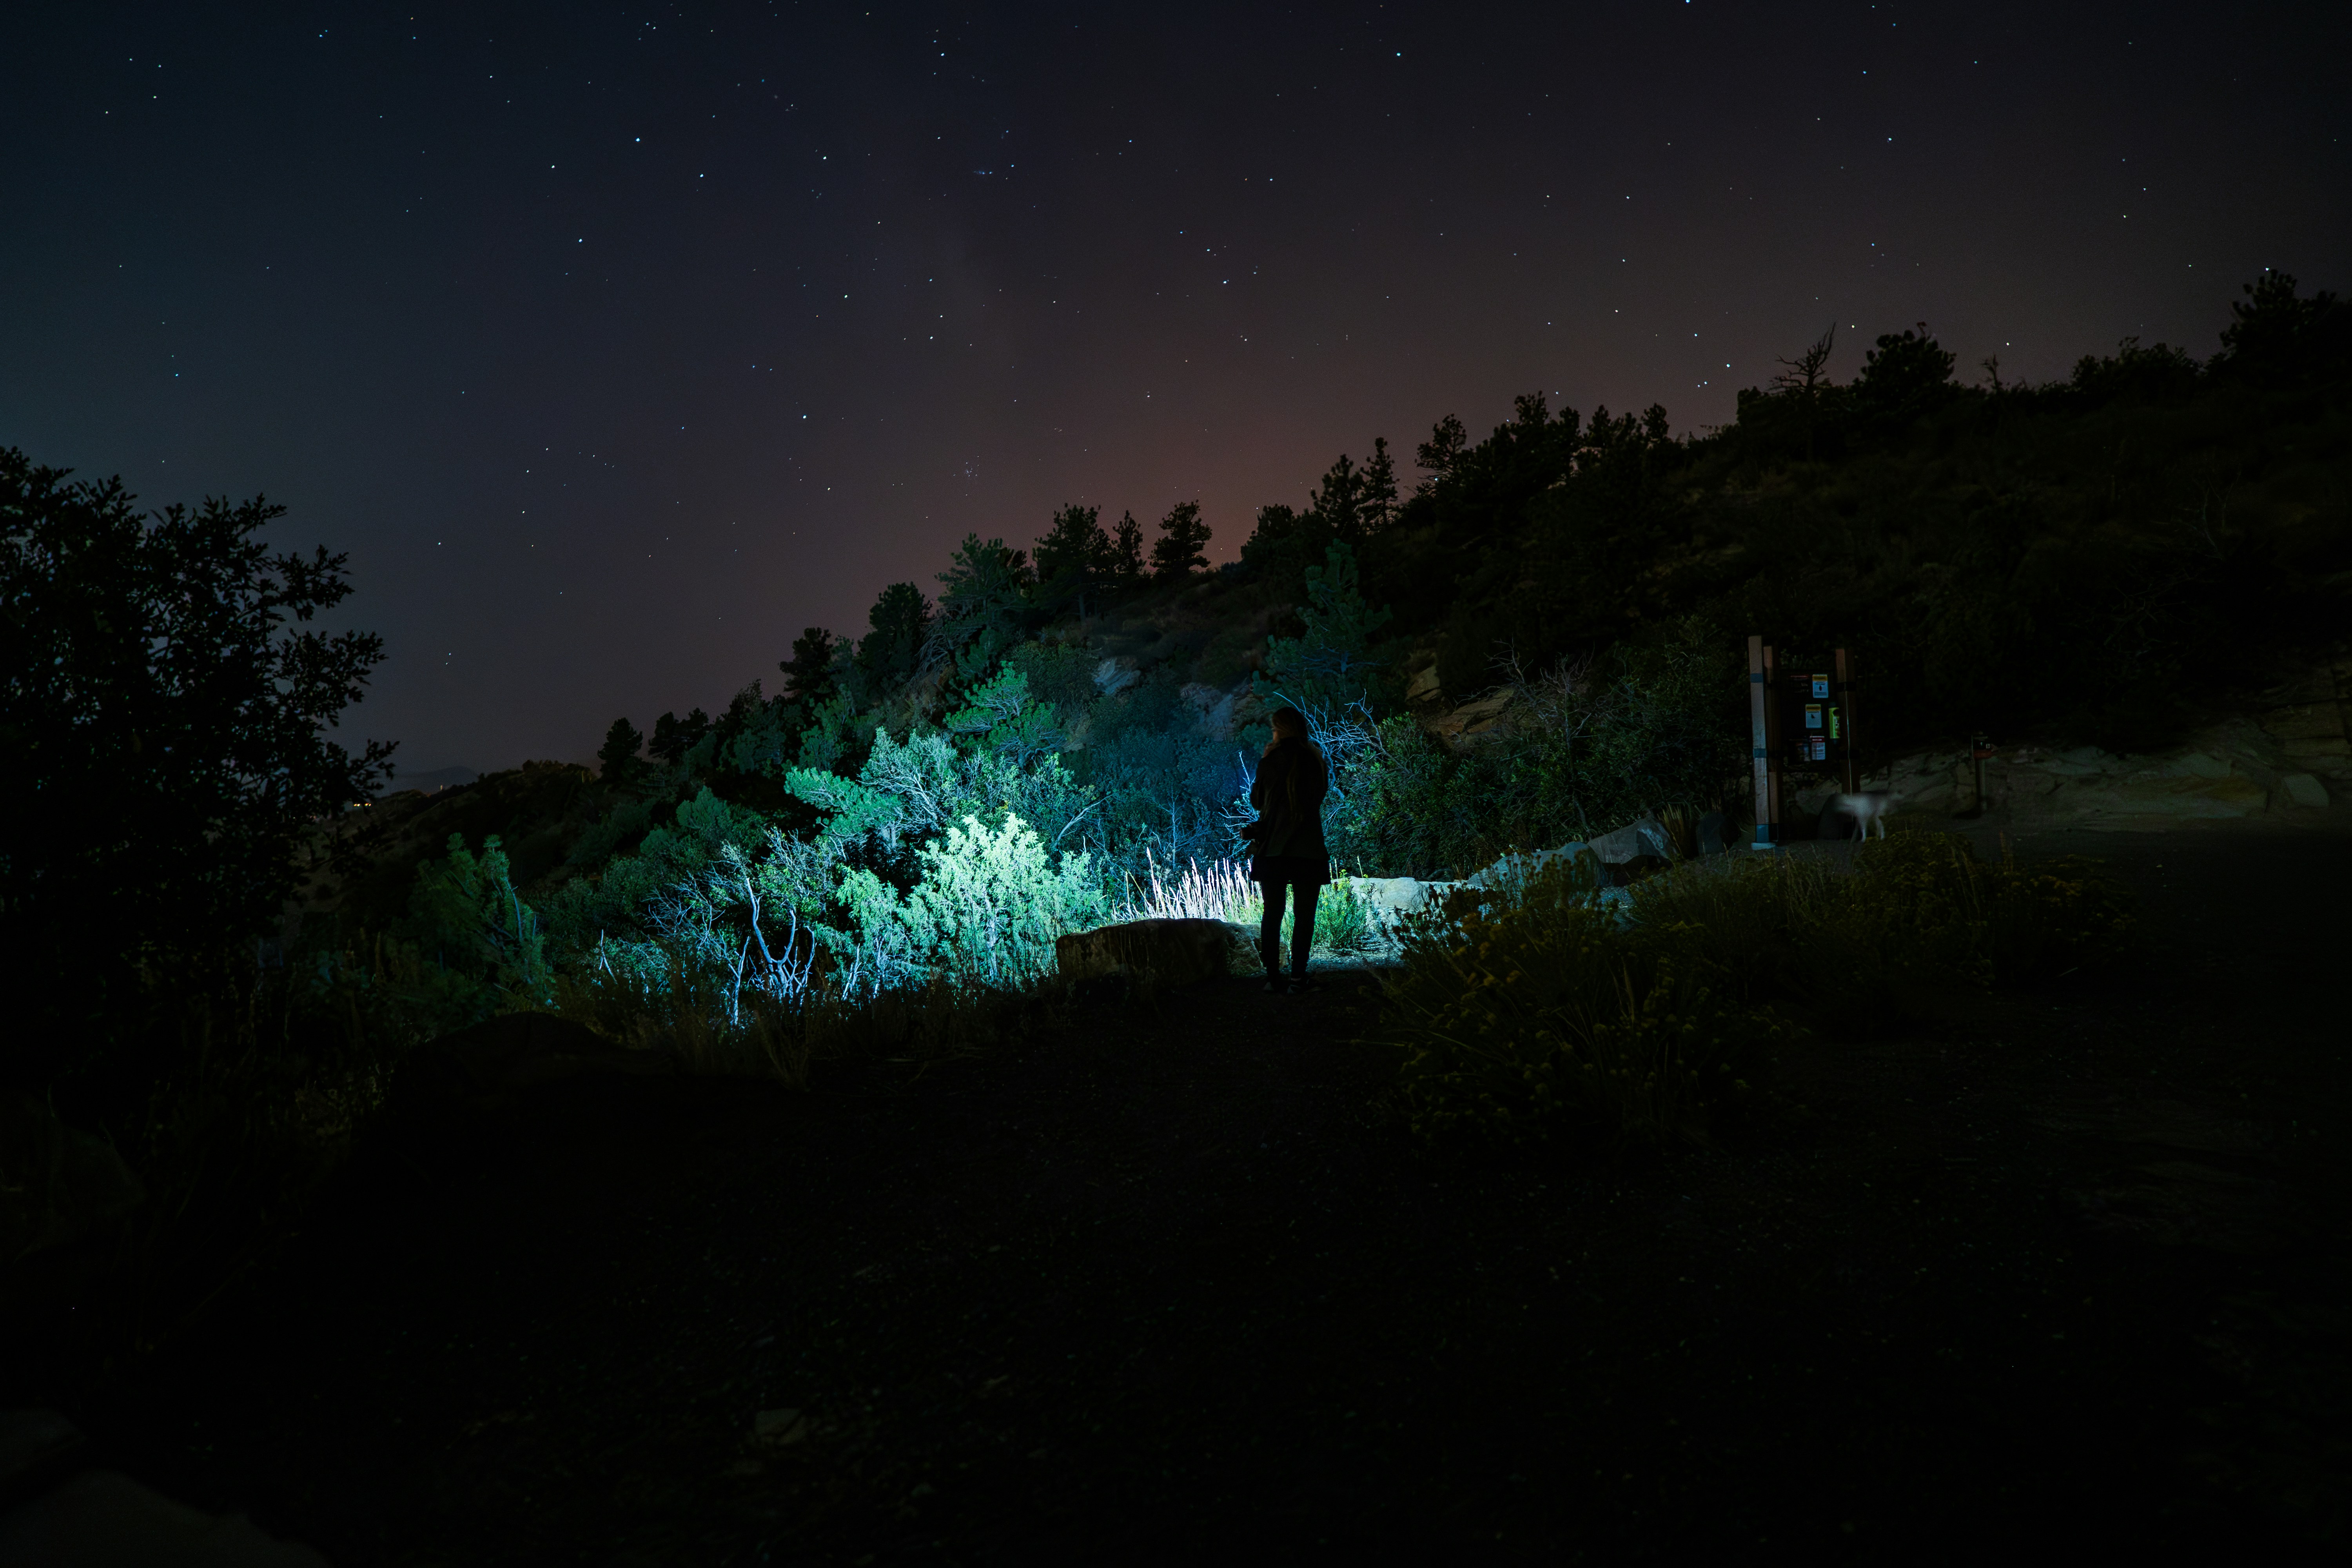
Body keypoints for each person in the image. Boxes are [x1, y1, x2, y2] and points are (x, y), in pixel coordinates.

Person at [1247, 707, 1329, 994]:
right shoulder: (1315, 758)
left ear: (1279, 729)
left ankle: (1273, 978)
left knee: (1273, 913)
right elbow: (1320, 795)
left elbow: (1257, 801)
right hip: (1308, 848)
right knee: (1305, 915)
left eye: (1273, 729)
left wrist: (1266, 759)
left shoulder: (1271, 760)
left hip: (1274, 849)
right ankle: (1297, 979)